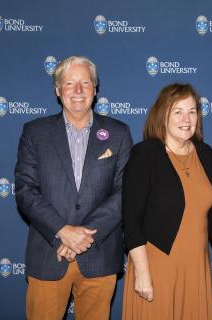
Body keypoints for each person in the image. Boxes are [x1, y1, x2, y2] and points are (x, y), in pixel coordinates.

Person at [15, 56, 132, 319]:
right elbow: (25, 190)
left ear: (95, 88)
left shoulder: (119, 133)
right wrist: (62, 232)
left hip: (99, 255)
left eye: (85, 83)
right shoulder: (35, 132)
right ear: (58, 90)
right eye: (69, 83)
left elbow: (125, 192)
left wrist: (82, 236)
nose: (78, 91)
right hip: (49, 254)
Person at [121, 83, 212, 320]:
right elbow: (131, 219)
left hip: (196, 266)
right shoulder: (145, 154)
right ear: (163, 115)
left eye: (192, 111)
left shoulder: (205, 154)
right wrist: (143, 273)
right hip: (157, 265)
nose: (187, 119)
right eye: (178, 111)